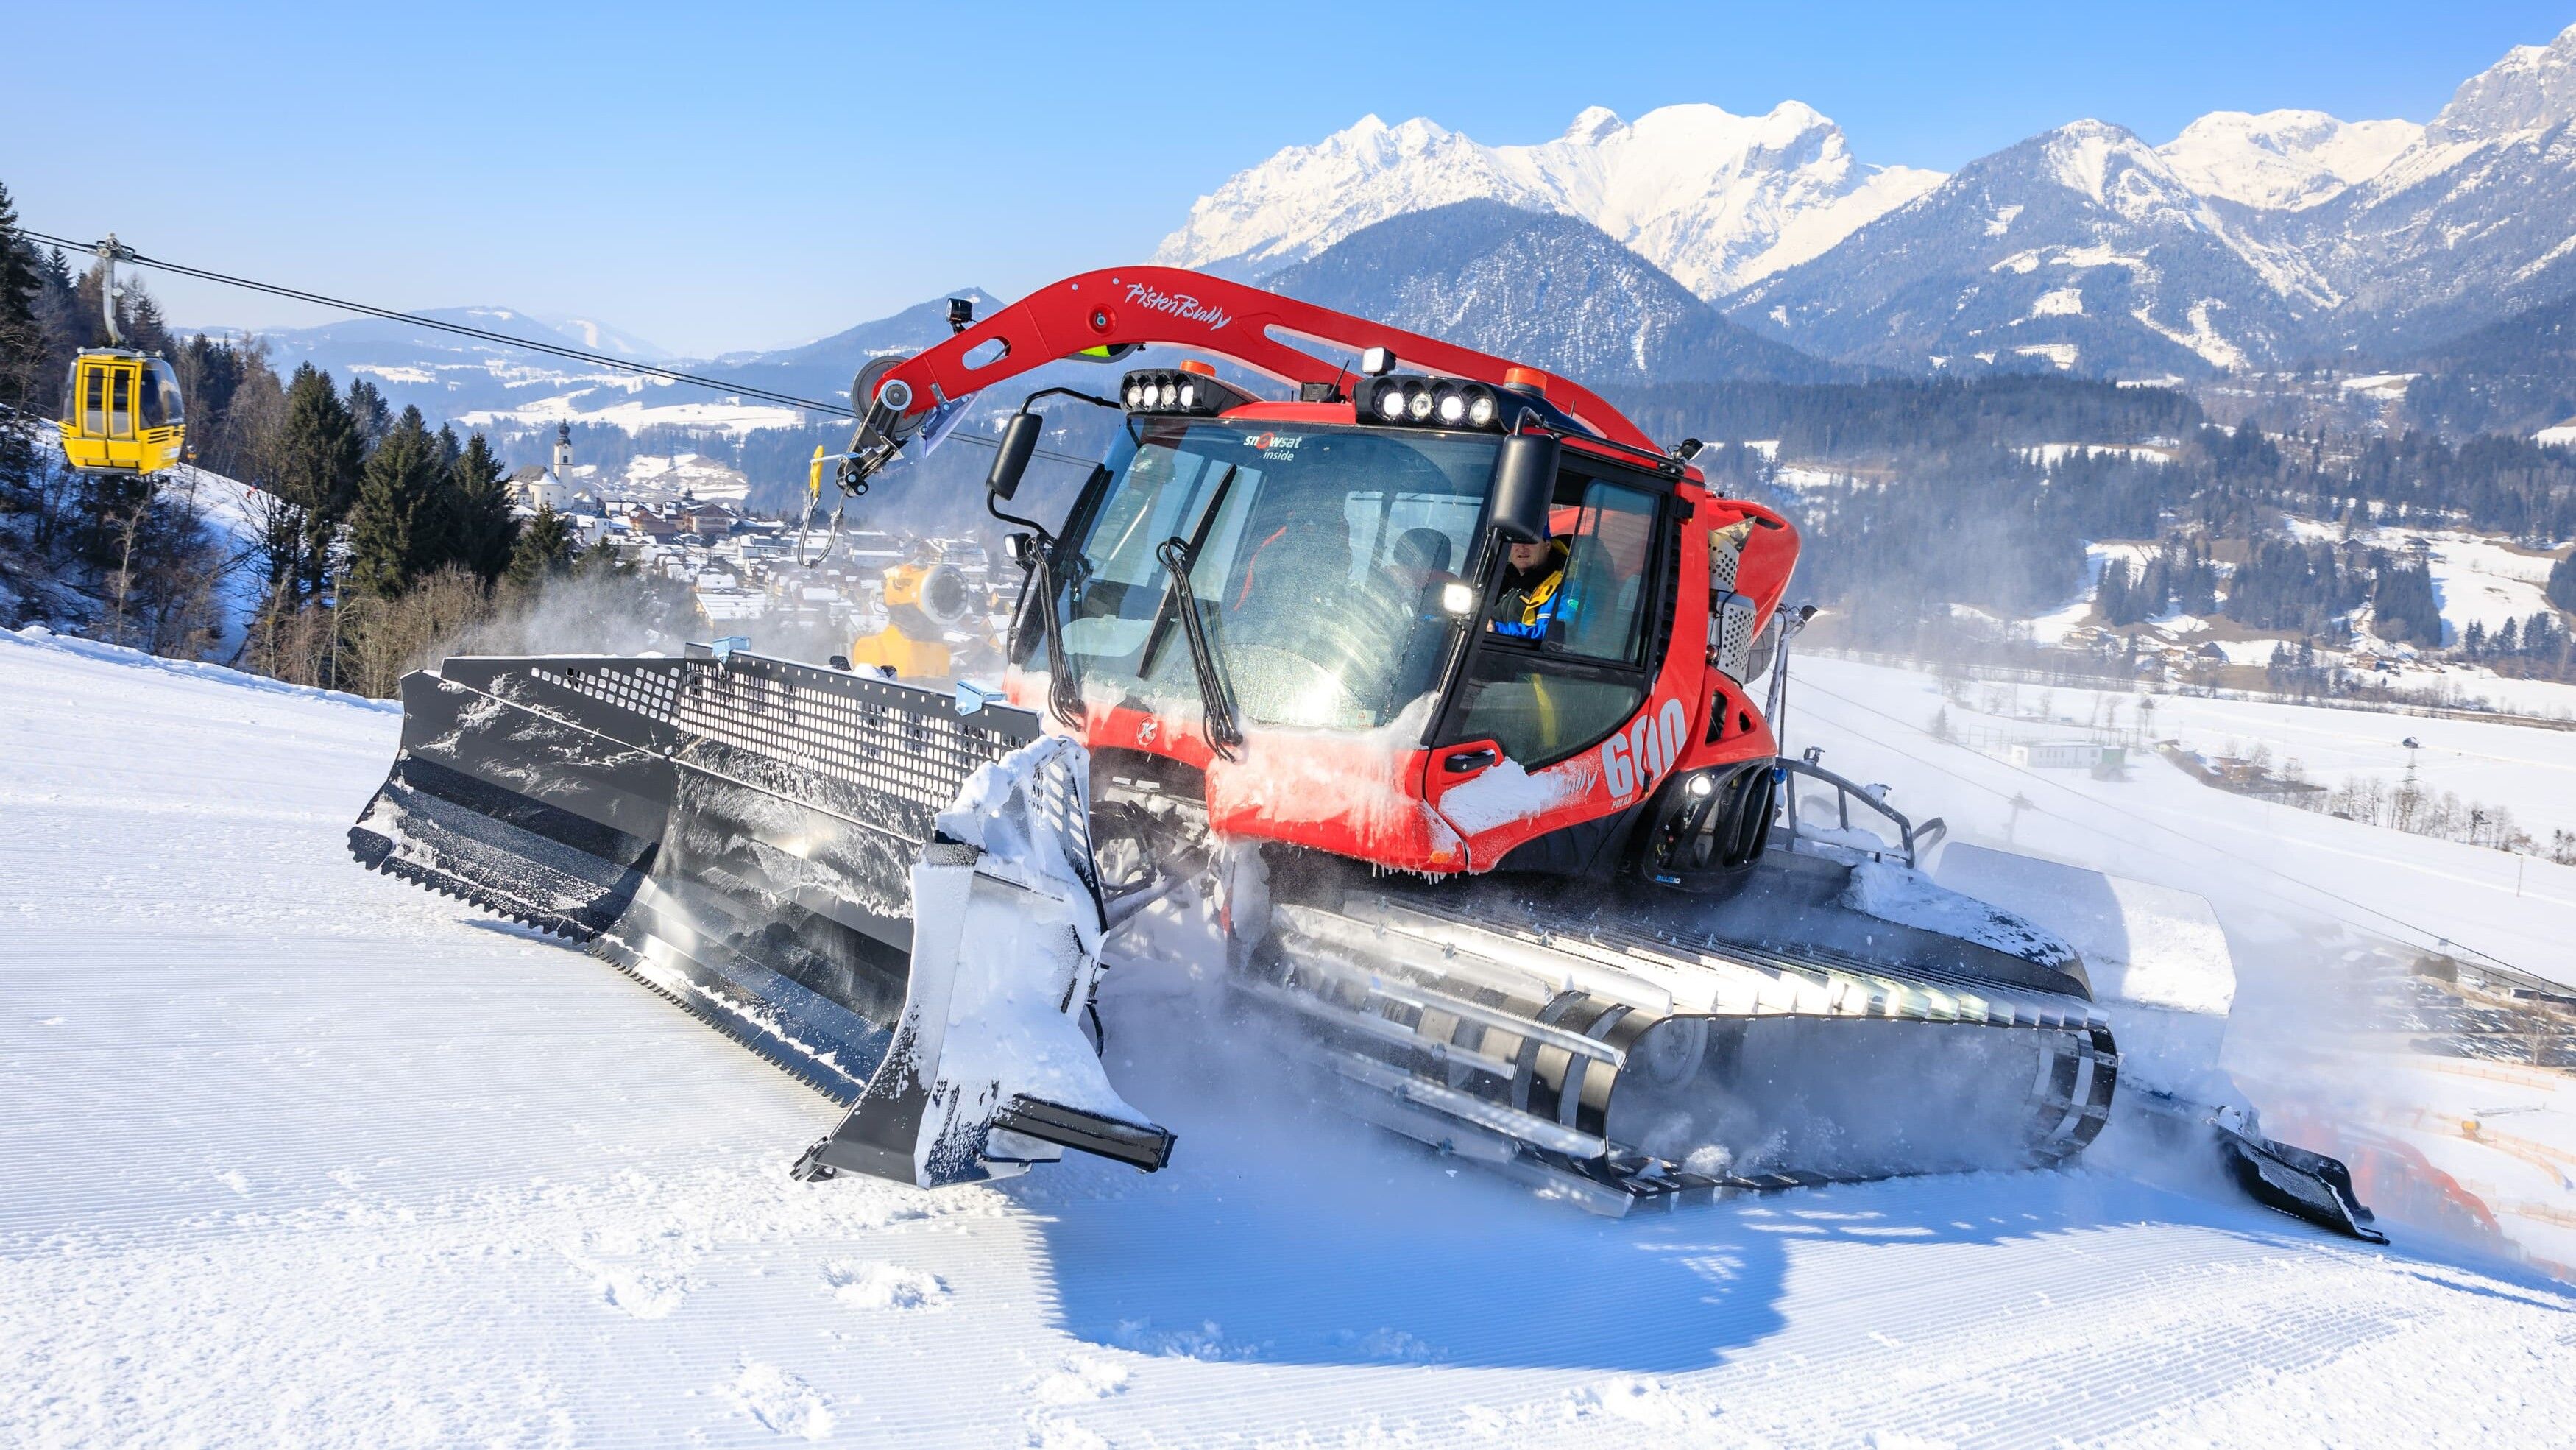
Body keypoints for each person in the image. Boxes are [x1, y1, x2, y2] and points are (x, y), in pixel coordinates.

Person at [1490, 534, 1569, 641]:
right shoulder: (1499, 578)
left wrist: (1496, 629)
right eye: (1516, 540)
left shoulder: (1564, 587)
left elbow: (1554, 636)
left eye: (1530, 540)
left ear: (1547, 545)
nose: (1522, 548)